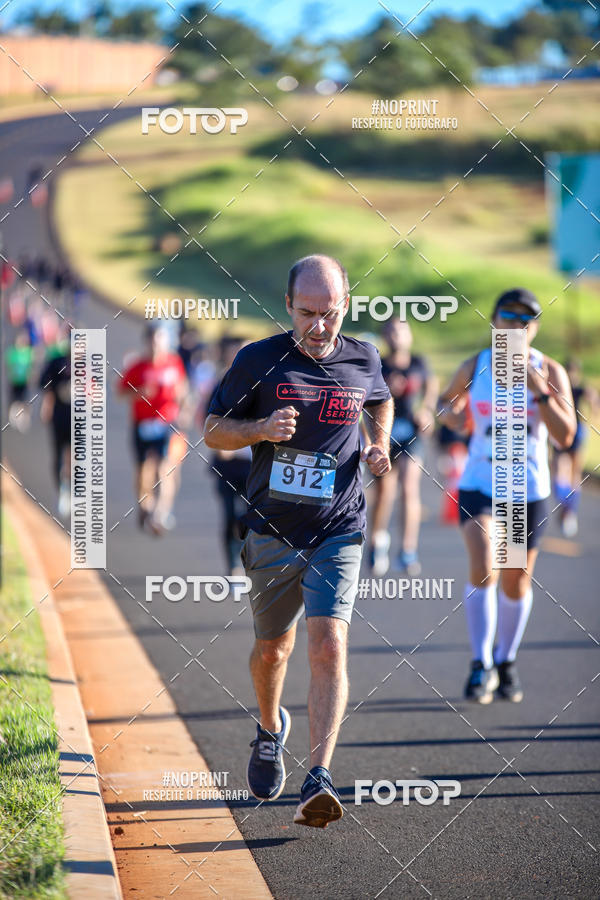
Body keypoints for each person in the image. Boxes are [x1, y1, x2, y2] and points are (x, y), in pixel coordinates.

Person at [204, 254, 393, 827]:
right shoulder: (257, 360)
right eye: (307, 313)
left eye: (329, 314)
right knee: (272, 651)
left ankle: (319, 776)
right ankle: (268, 728)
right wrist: (260, 428)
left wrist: (376, 444)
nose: (318, 326)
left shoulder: (363, 356)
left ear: (346, 306)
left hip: (339, 527)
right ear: (288, 306)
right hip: (272, 529)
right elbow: (213, 430)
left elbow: (379, 399)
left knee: (329, 645)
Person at [438, 288, 576, 704]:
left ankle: (505, 660)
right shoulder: (475, 364)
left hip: (525, 490)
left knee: (516, 583)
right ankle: (480, 665)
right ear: (494, 323)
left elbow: (566, 435)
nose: (515, 328)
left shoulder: (549, 369)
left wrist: (539, 389)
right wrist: (453, 415)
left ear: (533, 330)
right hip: (480, 483)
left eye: (525, 322)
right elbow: (445, 403)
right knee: (485, 559)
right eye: (508, 319)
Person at [367, 317, 437, 576]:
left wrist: (427, 409)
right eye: (392, 331)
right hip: (383, 434)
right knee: (385, 492)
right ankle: (377, 541)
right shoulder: (378, 365)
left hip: (411, 433)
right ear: (385, 337)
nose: (397, 336)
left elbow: (432, 384)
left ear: (409, 336)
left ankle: (408, 551)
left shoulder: (419, 363)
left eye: (402, 331)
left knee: (409, 487)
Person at [118, 323, 188, 535]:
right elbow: (120, 393)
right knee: (142, 471)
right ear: (147, 342)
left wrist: (184, 408)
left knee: (165, 468)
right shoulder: (138, 367)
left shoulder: (174, 363)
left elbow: (183, 389)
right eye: (153, 341)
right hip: (142, 425)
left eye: (161, 340)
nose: (157, 345)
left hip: (167, 423)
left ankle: (160, 513)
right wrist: (139, 393)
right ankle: (144, 506)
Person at [205, 337, 253, 574]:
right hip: (227, 465)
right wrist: (220, 443)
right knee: (230, 515)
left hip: (254, 465)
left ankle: (246, 559)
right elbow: (207, 421)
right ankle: (233, 565)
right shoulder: (221, 385)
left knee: (249, 518)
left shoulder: (265, 384)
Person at [552, 358, 598, 538]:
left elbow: (592, 395)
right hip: (562, 431)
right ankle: (565, 506)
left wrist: (594, 410)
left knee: (574, 472)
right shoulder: (561, 388)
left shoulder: (577, 388)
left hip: (577, 431)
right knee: (559, 472)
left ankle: (569, 511)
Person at [39, 331, 72, 519]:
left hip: (81, 420)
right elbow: (45, 384)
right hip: (60, 417)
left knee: (77, 456)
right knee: (59, 454)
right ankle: (62, 489)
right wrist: (48, 404)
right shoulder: (56, 362)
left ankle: (75, 490)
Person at [6, 329, 34, 432]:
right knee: (15, 400)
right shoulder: (13, 353)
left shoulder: (27, 353)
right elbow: (10, 366)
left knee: (24, 401)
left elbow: (30, 367)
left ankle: (24, 420)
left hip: (24, 382)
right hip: (15, 381)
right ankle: (14, 418)